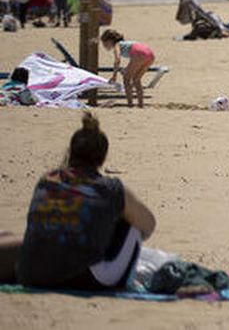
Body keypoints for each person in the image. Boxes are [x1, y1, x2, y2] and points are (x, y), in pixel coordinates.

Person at [14, 113, 157, 291]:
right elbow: (148, 224)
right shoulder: (109, 188)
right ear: (102, 158)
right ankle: (126, 282)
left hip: (30, 274)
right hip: (82, 278)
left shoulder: (47, 180)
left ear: (71, 152)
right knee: (132, 227)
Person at [99, 29, 154, 108]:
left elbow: (117, 60)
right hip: (150, 55)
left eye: (104, 43)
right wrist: (126, 69)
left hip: (139, 53)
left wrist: (114, 76)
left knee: (126, 79)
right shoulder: (125, 44)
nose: (104, 46)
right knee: (136, 80)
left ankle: (130, 104)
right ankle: (140, 104)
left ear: (110, 41)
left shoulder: (117, 45)